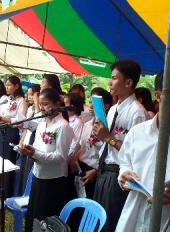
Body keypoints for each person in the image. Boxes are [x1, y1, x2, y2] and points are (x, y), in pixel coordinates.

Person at [92, 60, 149, 231]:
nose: (109, 82)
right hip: (103, 172)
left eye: (114, 78)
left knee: (110, 223)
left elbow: (137, 154)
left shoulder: (138, 113)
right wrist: (100, 133)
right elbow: (106, 141)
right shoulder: (112, 109)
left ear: (129, 82)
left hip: (118, 176)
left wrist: (108, 137)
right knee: (99, 222)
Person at [116, 72, 170, 232]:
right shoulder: (137, 133)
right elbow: (124, 163)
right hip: (134, 215)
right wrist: (124, 175)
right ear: (159, 96)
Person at [20, 88, 74, 232]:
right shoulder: (42, 124)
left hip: (53, 180)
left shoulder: (63, 126)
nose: (43, 108)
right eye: (41, 104)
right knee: (35, 218)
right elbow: (37, 148)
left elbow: (61, 157)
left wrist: (35, 155)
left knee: (47, 221)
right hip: (38, 175)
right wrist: (30, 152)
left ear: (57, 104)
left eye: (46, 104)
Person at [69, 87, 113, 199]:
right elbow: (80, 144)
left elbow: (109, 154)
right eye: (90, 101)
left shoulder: (108, 130)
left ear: (106, 106)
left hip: (94, 171)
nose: (91, 105)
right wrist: (74, 158)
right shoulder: (87, 124)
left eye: (95, 103)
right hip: (80, 168)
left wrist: (96, 171)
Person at [0, 75, 27, 197]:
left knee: (7, 161)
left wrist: (2, 118)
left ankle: (6, 191)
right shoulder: (7, 99)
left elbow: (20, 121)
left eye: (9, 85)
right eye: (6, 85)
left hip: (11, 133)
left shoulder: (21, 101)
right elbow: (0, 113)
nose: (6, 87)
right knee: (0, 160)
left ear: (16, 86)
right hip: (1, 130)